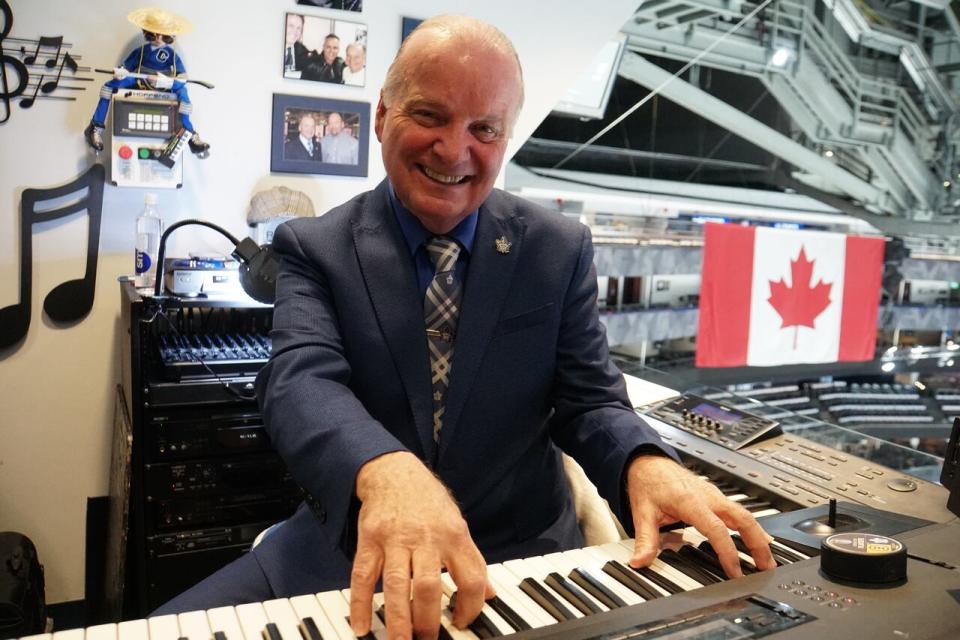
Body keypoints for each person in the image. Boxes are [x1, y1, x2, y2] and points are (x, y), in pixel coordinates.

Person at [153, 15, 777, 637]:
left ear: (505, 139)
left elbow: (589, 402)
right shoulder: (314, 246)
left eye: (484, 128)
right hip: (346, 558)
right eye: (429, 115)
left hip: (528, 565)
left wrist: (645, 462)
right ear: (381, 116)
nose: (455, 150)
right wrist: (386, 469)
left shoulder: (557, 250)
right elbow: (300, 382)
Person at [83, 7, 209, 158]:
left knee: (185, 97)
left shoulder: (172, 55)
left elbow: (182, 78)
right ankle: (95, 127)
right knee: (108, 87)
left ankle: (190, 136)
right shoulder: (141, 51)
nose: (158, 38)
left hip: (165, 84)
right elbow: (126, 67)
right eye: (154, 34)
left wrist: (165, 82)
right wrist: (120, 72)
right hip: (140, 79)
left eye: (163, 35)